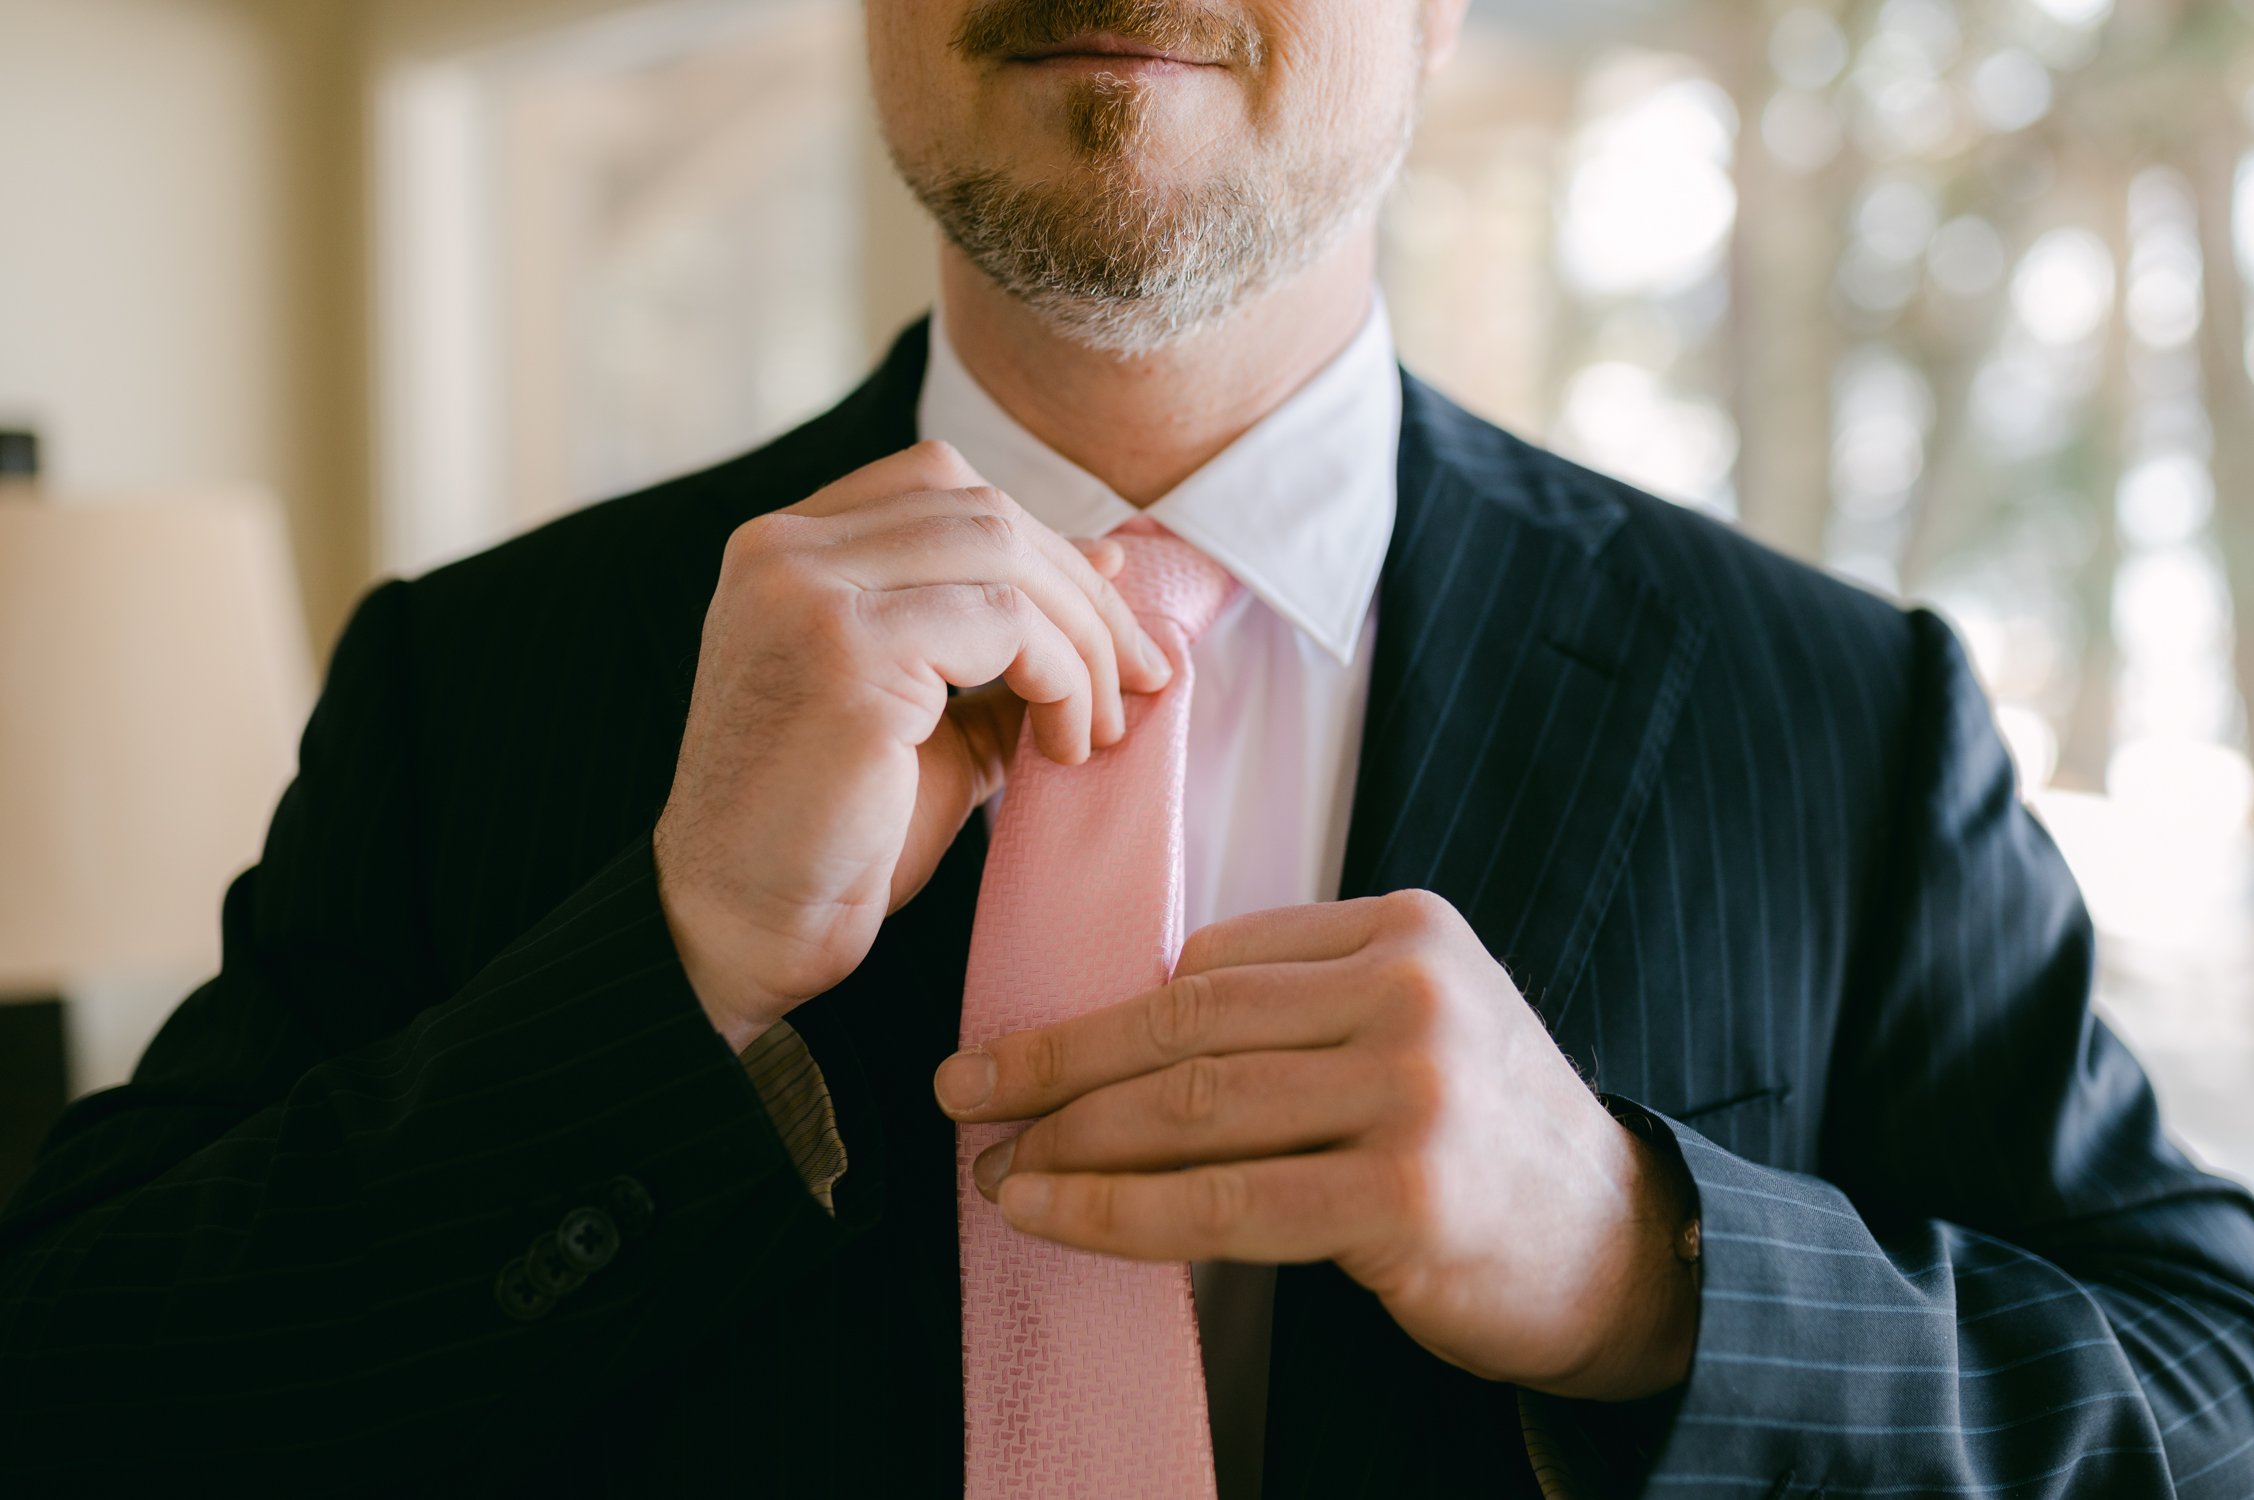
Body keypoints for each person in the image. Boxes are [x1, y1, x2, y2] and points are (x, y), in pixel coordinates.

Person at [4, 0, 2252, 1494]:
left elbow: (2207, 1401)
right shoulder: (469, 679)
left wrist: (1634, 1268)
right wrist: (666, 968)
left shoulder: (1838, 723)